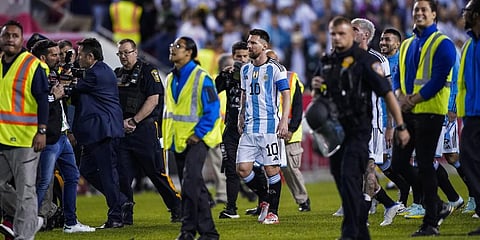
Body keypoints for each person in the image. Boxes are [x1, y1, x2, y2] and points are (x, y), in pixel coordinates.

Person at [310, 16, 409, 240]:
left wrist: (398, 125)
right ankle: (361, 232)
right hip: (335, 131)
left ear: (353, 35)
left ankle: (350, 231)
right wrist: (317, 88)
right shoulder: (326, 61)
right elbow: (319, 96)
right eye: (333, 33)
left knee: (352, 176)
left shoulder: (366, 60)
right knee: (342, 180)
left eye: (342, 33)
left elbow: (388, 94)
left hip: (360, 130)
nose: (336, 37)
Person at [390, 0, 457, 236]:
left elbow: (439, 79)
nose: (418, 13)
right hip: (409, 110)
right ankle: (436, 204)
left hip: (431, 111)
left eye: (423, 10)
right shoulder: (408, 44)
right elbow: (397, 75)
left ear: (434, 15)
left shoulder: (444, 43)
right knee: (397, 163)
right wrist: (399, 95)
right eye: (416, 9)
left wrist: (412, 99)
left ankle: (431, 221)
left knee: (425, 164)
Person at [114, 38, 182, 224]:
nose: (123, 57)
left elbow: (153, 100)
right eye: (120, 53)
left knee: (156, 172)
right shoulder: (117, 74)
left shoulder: (148, 71)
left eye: (126, 52)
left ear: (135, 52)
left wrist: (134, 121)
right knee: (123, 175)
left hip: (144, 129)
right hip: (123, 131)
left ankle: (177, 207)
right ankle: (125, 214)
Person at [31, 39, 96, 233]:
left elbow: (56, 90)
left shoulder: (49, 73)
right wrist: (54, 96)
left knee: (72, 176)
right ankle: (27, 220)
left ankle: (71, 222)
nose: (57, 58)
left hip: (61, 135)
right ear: (43, 58)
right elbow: (35, 102)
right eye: (54, 55)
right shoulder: (35, 73)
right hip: (49, 138)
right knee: (43, 182)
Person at [163, 36, 221, 240]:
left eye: (178, 46)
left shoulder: (201, 77)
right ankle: (206, 233)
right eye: (172, 45)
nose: (173, 48)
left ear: (189, 53)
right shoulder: (170, 78)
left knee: (189, 184)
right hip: (178, 140)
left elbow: (213, 109)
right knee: (195, 186)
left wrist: (198, 134)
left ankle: (189, 230)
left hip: (198, 139)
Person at [351, 17, 403, 226]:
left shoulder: (378, 60)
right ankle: (390, 204)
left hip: (373, 124)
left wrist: (390, 125)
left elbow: (387, 94)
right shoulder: (346, 57)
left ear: (365, 34)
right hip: (352, 125)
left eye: (353, 29)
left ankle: (362, 216)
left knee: (369, 169)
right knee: (357, 171)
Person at [0, 20, 49, 240]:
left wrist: (42, 131)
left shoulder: (32, 65)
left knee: (26, 191)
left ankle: (24, 235)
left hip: (26, 139)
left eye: (15, 36)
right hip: (1, 138)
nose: (10, 39)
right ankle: (30, 219)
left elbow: (43, 101)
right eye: (6, 35)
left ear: (22, 40)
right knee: (19, 194)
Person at [237, 29, 291, 225]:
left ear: (264, 46)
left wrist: (284, 121)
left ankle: (273, 213)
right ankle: (265, 199)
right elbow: (244, 94)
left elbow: (286, 94)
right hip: (250, 126)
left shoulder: (276, 68)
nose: (249, 46)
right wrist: (241, 116)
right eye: (248, 42)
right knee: (242, 169)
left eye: (253, 43)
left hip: (269, 128)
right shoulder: (245, 69)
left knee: (271, 170)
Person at [72, 37, 126, 229]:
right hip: (98, 132)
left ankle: (116, 216)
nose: (78, 58)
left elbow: (75, 88)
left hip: (104, 131)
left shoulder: (96, 74)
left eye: (80, 55)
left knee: (107, 175)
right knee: (86, 170)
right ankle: (120, 200)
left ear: (90, 56)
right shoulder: (100, 70)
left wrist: (67, 81)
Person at [216, 42, 261, 219]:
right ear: (233, 57)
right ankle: (231, 208)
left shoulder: (256, 73)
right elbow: (215, 90)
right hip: (232, 128)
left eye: (245, 56)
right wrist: (222, 75)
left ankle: (262, 203)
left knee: (257, 168)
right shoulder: (229, 75)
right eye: (238, 56)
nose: (241, 60)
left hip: (252, 128)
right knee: (230, 168)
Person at [265, 49, 311, 212]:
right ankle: (265, 204)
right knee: (269, 167)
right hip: (270, 130)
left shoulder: (291, 78)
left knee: (290, 168)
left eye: (274, 60)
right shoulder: (262, 77)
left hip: (291, 130)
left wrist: (291, 128)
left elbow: (298, 106)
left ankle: (303, 200)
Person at [457, 0, 480, 235]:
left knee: (470, 161)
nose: (464, 15)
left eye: (468, 12)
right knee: (469, 161)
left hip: (477, 113)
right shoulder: (470, 44)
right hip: (471, 114)